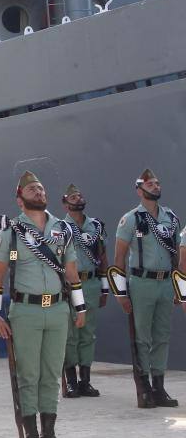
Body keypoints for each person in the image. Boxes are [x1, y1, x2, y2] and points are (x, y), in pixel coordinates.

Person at [0, 171, 84, 438]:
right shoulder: (11, 233)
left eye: (40, 188)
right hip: (25, 311)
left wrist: (79, 306)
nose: (38, 192)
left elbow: (71, 271)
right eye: (31, 189)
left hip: (56, 309)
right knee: (28, 374)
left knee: (52, 374)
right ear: (20, 199)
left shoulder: (62, 230)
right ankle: (30, 437)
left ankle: (49, 435)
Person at [111, 168, 179, 408]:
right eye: (150, 184)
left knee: (162, 336)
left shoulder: (170, 217)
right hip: (141, 283)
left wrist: (179, 290)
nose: (156, 186)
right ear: (139, 190)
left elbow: (177, 259)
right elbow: (118, 259)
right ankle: (144, 388)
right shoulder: (130, 219)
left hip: (165, 283)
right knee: (142, 337)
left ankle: (159, 387)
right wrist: (120, 293)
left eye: (158, 183)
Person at [61, 184, 108, 398]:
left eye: (80, 195)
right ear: (65, 203)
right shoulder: (60, 227)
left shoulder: (95, 226)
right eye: (73, 196)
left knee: (88, 333)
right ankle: (71, 381)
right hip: (69, 285)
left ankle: (85, 381)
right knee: (70, 334)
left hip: (90, 283)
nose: (78, 199)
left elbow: (102, 256)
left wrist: (105, 288)